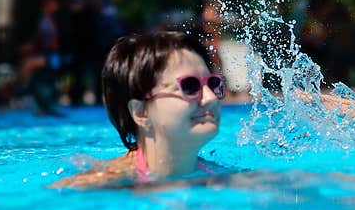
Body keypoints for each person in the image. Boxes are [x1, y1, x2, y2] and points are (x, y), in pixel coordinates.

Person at [52, 31, 225, 188]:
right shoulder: (99, 185)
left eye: (213, 83)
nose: (211, 97)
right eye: (190, 86)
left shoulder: (222, 177)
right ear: (140, 112)